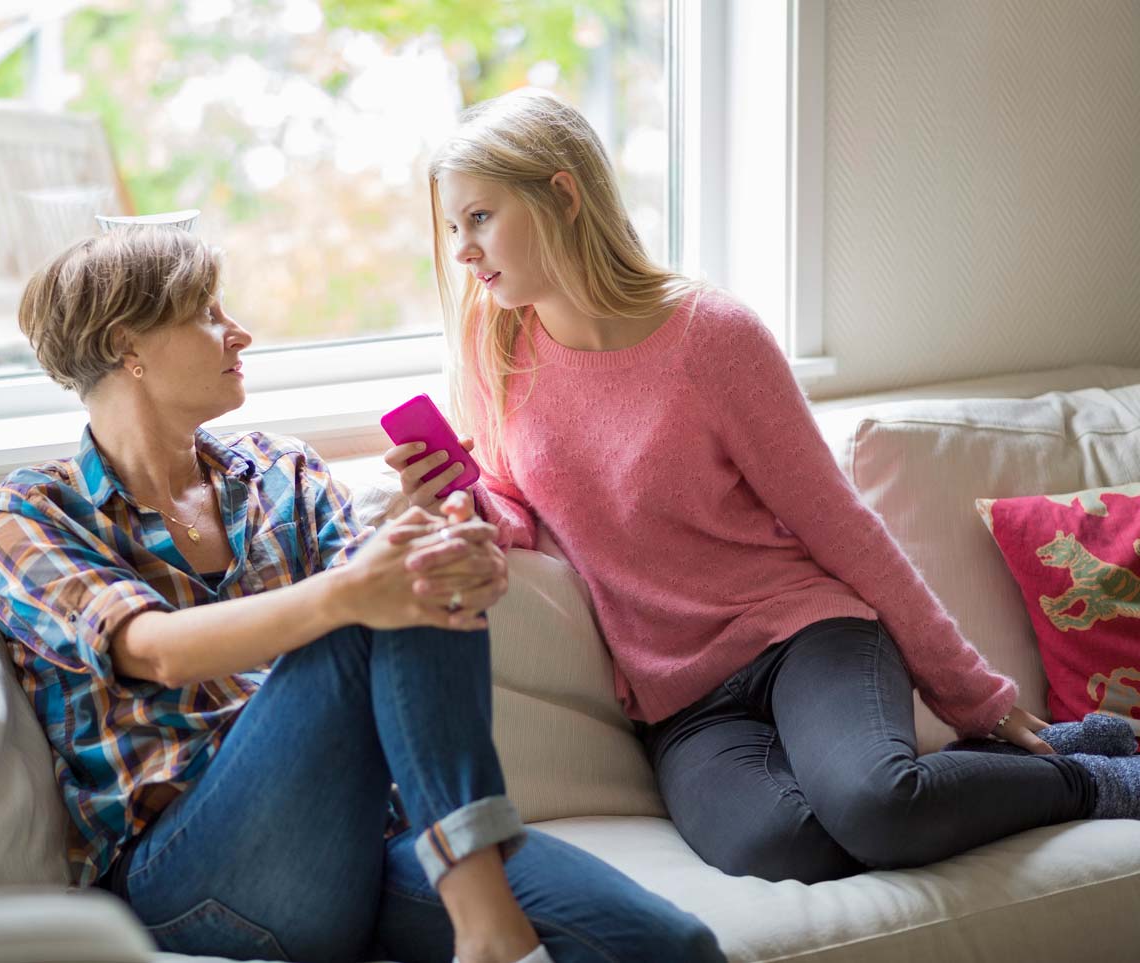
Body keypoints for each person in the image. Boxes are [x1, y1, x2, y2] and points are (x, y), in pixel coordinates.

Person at [387, 88, 1140, 886]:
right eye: (451, 228)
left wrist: (976, 697)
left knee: (878, 804)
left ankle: (1090, 775)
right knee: (784, 846)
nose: (463, 251)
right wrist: (454, 495)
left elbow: (843, 527)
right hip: (681, 700)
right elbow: (516, 505)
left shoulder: (713, 337)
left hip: (803, 634)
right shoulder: (496, 346)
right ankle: (1004, 767)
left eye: (478, 217)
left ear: (563, 194)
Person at [0, 225, 724, 963]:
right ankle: (488, 928)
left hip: (361, 844)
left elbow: (392, 627)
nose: (239, 332)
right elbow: (156, 652)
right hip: (192, 879)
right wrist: (371, 583)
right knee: (391, 586)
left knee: (668, 943)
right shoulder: (34, 511)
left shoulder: (282, 472)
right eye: (207, 312)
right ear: (126, 347)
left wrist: (456, 558)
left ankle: (485, 916)